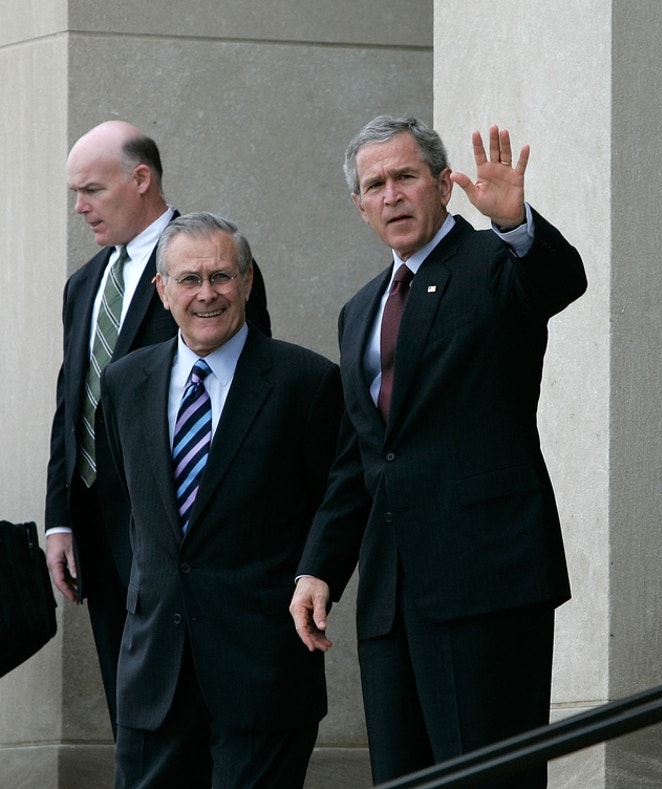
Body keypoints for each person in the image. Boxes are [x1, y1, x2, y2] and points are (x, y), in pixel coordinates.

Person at [288, 116, 586, 786]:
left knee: (488, 777)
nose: (391, 194)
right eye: (375, 185)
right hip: (393, 595)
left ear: (444, 184)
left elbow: (559, 282)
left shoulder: (491, 264)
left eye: (406, 176)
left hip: (486, 576)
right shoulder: (359, 309)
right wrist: (319, 568)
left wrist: (517, 226)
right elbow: (361, 459)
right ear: (358, 205)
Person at [100, 212, 342, 787]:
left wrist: (318, 575)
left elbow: (337, 504)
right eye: (188, 279)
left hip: (262, 672)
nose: (206, 294)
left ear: (249, 281)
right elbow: (125, 510)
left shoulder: (306, 383)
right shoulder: (123, 382)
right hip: (153, 671)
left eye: (222, 276)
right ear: (161, 290)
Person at [45, 120, 271, 734]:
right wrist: (60, 518)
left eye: (91, 189)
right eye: (75, 192)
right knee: (134, 718)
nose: (80, 207)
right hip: (95, 533)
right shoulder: (85, 283)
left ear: (140, 178)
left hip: (180, 536)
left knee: (196, 712)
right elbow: (73, 402)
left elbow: (251, 403)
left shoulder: (211, 263)